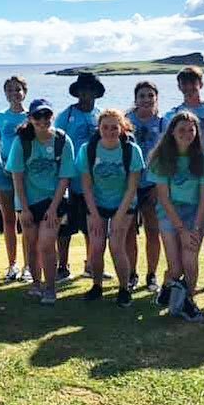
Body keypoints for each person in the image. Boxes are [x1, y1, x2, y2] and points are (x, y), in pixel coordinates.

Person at [6, 98, 77, 305]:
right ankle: (36, 284)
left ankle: (50, 288)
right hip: (28, 200)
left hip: (54, 199)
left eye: (46, 115)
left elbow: (65, 178)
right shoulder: (22, 141)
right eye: (37, 116)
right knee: (32, 244)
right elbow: (17, 176)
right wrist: (24, 209)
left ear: (52, 116)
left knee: (46, 243)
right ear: (30, 118)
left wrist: (54, 208)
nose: (43, 120)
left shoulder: (63, 141)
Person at [166, 66, 204, 296]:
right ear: (179, 86)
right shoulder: (174, 114)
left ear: (201, 84)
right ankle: (177, 279)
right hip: (185, 179)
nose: (189, 87)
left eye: (193, 83)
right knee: (182, 234)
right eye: (184, 83)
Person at [77, 109, 144, 307]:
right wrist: (96, 215)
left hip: (124, 203)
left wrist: (118, 216)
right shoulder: (88, 149)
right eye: (105, 127)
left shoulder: (131, 150)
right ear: (99, 128)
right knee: (96, 247)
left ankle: (124, 288)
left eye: (114, 127)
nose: (109, 131)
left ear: (122, 128)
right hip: (97, 203)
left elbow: (132, 187)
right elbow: (86, 186)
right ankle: (96, 286)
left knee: (117, 245)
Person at [147, 111, 204, 322]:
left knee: (190, 258)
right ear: (172, 132)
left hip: (195, 213)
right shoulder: (161, 159)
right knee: (175, 268)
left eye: (191, 129)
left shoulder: (203, 159)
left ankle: (189, 301)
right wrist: (181, 229)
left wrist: (195, 229)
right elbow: (163, 198)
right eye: (181, 129)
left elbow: (203, 200)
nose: (186, 134)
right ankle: (167, 287)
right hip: (169, 213)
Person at [55, 73, 104, 282]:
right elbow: (56, 144)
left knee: (91, 227)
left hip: (94, 183)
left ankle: (91, 264)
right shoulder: (65, 116)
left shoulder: (100, 115)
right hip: (70, 182)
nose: (86, 94)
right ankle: (62, 266)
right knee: (65, 227)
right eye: (82, 90)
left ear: (95, 92)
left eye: (90, 90)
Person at [126, 81, 166, 292]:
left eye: (150, 95)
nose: (146, 99)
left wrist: (158, 186)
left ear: (156, 98)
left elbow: (168, 156)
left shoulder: (162, 123)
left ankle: (152, 275)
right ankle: (131, 273)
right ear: (136, 98)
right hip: (130, 186)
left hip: (153, 185)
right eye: (142, 95)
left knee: (153, 230)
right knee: (129, 231)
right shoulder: (126, 121)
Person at [0, 75, 31, 282]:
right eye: (9, 90)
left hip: (25, 175)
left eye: (17, 89)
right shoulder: (0, 117)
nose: (14, 93)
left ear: (24, 91)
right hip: (3, 173)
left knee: (25, 220)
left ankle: (28, 265)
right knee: (8, 220)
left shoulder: (31, 117)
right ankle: (12, 265)